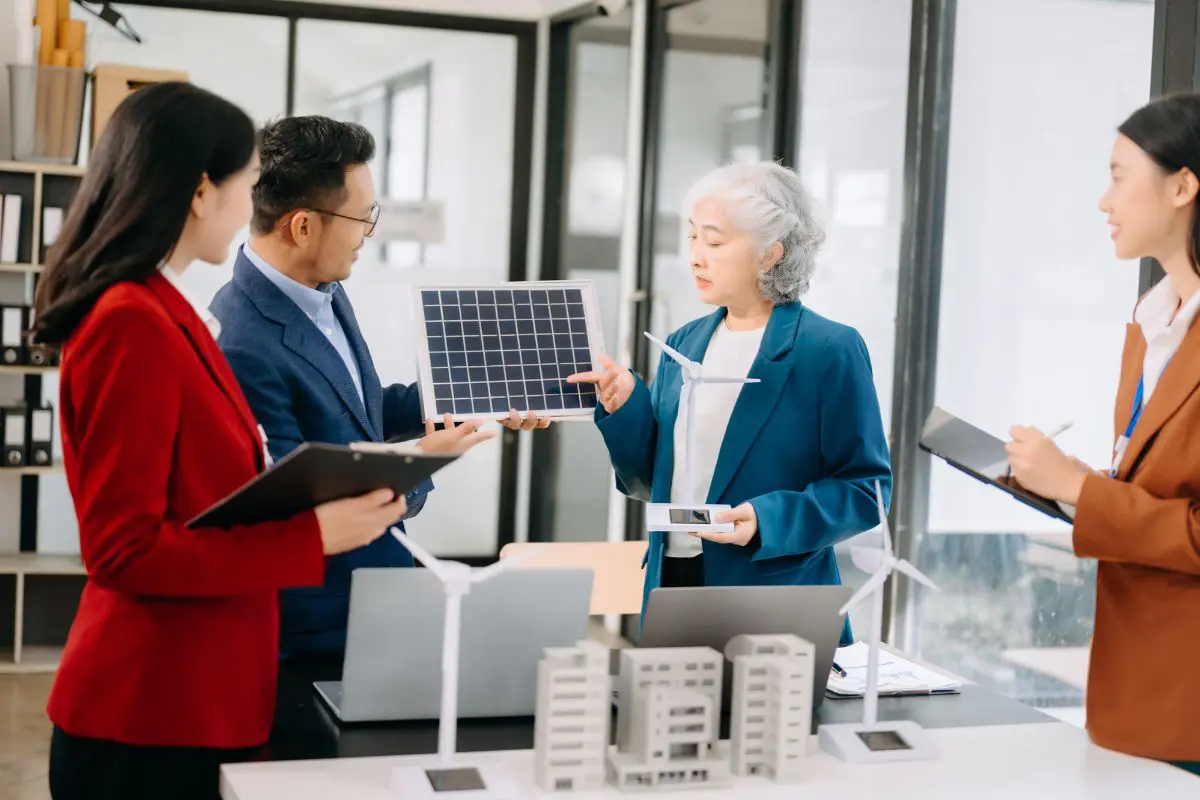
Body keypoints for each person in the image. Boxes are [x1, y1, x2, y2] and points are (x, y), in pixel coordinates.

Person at [33, 84, 407, 800]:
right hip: (147, 713)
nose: (251, 207)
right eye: (244, 184)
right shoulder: (128, 323)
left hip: (202, 699)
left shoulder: (164, 307)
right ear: (203, 192)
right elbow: (122, 549)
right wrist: (312, 537)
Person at [208, 116, 547, 659]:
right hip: (313, 620)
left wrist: (480, 389)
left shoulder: (321, 288)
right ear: (302, 227)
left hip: (371, 594)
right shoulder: (242, 341)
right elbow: (298, 505)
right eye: (362, 218)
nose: (369, 234)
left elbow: (358, 415)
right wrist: (420, 463)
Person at [568, 161, 891, 641]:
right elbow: (646, 481)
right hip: (671, 584)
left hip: (773, 596)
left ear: (769, 254)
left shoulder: (827, 349)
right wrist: (626, 405)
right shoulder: (685, 342)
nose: (696, 257)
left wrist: (765, 519)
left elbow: (867, 490)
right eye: (693, 238)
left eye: (714, 242)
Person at [1006, 93, 1200, 775]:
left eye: (1119, 175)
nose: (1103, 200)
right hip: (1136, 686)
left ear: (1181, 185)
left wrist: (1080, 489)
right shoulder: (1153, 324)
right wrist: (1075, 484)